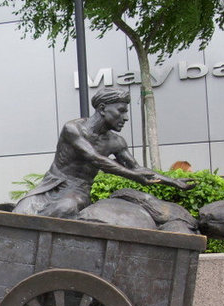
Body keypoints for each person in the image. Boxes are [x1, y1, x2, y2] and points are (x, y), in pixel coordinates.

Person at [13, 88, 194, 218]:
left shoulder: (116, 142)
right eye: (121, 111)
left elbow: (137, 168)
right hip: (51, 186)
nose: (126, 117)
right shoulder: (73, 129)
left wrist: (174, 182)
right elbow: (95, 158)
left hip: (77, 191)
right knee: (19, 214)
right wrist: (134, 176)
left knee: (66, 208)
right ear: (102, 108)